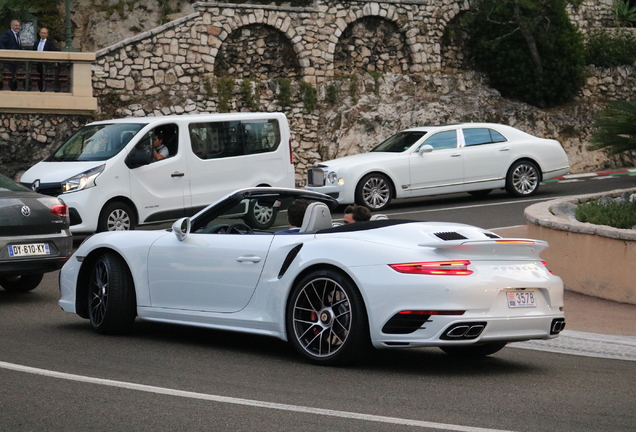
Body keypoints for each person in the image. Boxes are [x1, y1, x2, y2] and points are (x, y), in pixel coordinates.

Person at [32, 27, 58, 92]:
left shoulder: (50, 44)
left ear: (47, 35)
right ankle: (40, 89)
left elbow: (52, 52)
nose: (43, 34)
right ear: (39, 34)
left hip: (47, 63)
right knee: (38, 76)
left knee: (47, 76)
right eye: (42, 33)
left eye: (44, 33)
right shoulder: (36, 43)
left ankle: (46, 89)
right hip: (38, 63)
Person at [0, 20, 23, 91]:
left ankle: (12, 88)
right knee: (9, 75)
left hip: (16, 59)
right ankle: (8, 89)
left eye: (18, 25)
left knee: (13, 75)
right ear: (11, 26)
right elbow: (1, 42)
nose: (17, 27)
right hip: (9, 59)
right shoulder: (8, 34)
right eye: (16, 25)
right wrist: (5, 52)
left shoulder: (17, 35)